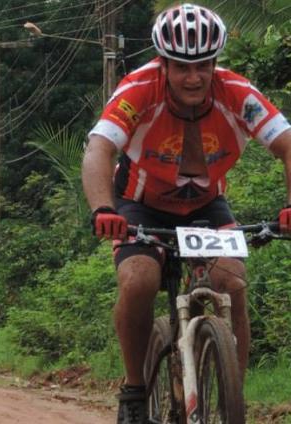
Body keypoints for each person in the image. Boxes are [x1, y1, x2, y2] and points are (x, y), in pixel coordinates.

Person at [81, 4, 291, 423]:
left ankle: (234, 397)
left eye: (204, 65)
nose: (194, 77)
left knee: (231, 282)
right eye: (181, 67)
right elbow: (99, 149)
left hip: (205, 207)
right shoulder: (139, 89)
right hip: (139, 203)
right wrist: (104, 208)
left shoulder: (237, 93)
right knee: (139, 279)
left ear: (215, 62)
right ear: (163, 63)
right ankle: (134, 389)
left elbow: (287, 145)